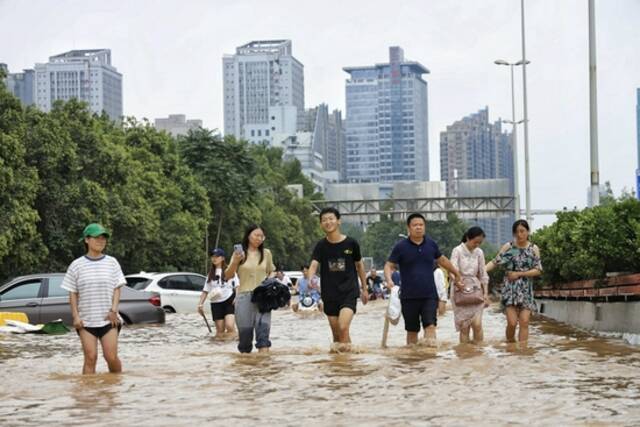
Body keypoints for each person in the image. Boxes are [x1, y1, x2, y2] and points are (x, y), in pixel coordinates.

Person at [384, 213, 462, 347]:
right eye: (415, 225)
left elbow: (442, 260)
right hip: (408, 296)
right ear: (409, 227)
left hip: (429, 296)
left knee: (430, 326)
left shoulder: (431, 244)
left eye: (421, 225)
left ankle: (430, 361)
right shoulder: (401, 247)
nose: (418, 228)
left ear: (425, 227)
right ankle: (414, 359)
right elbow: (389, 265)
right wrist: (389, 280)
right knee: (412, 331)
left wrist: (456, 272)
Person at [61, 223, 126, 374]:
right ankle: (88, 394)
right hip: (86, 321)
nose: (101, 241)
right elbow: (72, 293)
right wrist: (76, 317)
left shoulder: (112, 262)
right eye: (97, 237)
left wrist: (114, 310)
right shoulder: (76, 265)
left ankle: (117, 386)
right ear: (86, 240)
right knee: (90, 357)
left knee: (111, 357)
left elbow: (117, 288)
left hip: (108, 319)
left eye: (103, 238)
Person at [307, 207, 368, 351]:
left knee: (343, 326)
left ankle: (346, 364)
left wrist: (365, 289)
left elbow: (359, 266)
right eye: (324, 220)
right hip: (329, 294)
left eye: (331, 219)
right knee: (336, 335)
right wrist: (310, 278)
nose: (328, 222)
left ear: (338, 221)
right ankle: (341, 365)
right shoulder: (321, 246)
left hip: (348, 292)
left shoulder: (351, 243)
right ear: (321, 224)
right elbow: (314, 264)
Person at [486, 219, 542, 343]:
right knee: (511, 323)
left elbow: (538, 270)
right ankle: (510, 346)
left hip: (526, 290)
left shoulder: (533, 248)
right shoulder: (508, 247)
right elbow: (495, 261)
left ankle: (522, 351)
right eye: (516, 232)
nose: (519, 234)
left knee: (524, 322)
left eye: (522, 231)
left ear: (528, 232)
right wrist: (482, 270)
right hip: (509, 290)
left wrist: (519, 273)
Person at [225, 224, 276, 353]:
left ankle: (263, 368)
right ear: (248, 236)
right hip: (244, 297)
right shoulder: (239, 254)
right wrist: (236, 261)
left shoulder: (266, 253)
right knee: (245, 340)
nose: (259, 239)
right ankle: (247, 369)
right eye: (256, 235)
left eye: (261, 236)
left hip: (263, 297)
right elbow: (228, 275)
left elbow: (272, 271)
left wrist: (269, 281)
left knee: (263, 337)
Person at [450, 227, 490, 343]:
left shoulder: (479, 252)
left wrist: (486, 294)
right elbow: (452, 269)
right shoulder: (457, 250)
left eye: (480, 242)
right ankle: (465, 355)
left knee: (477, 324)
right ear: (468, 238)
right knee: (464, 327)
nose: (477, 245)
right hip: (460, 290)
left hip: (476, 290)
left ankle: (479, 352)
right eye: (475, 242)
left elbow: (483, 273)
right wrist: (457, 281)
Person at [197, 248, 238, 339]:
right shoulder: (210, 274)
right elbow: (205, 291)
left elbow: (237, 286)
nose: (214, 258)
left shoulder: (230, 270)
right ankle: (220, 348)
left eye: (217, 256)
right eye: (212, 256)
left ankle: (233, 344)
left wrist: (237, 297)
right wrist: (200, 304)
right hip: (216, 303)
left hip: (229, 300)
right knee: (219, 331)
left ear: (222, 258)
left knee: (230, 326)